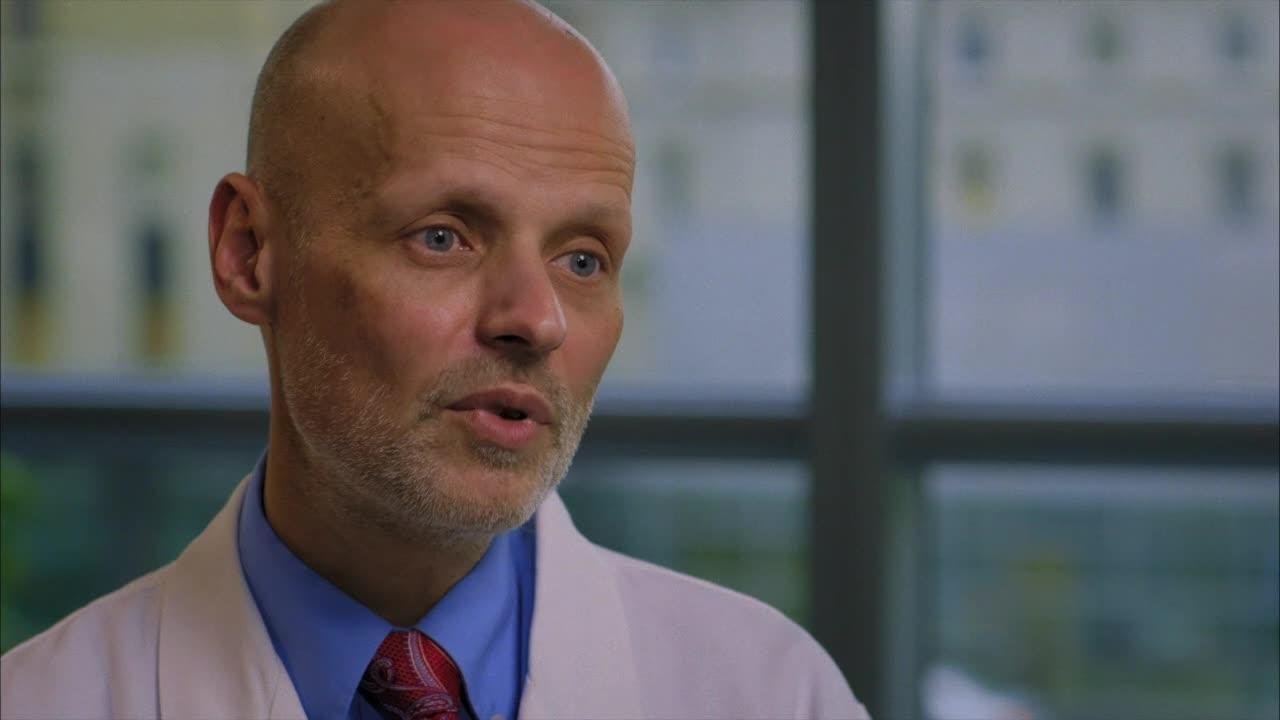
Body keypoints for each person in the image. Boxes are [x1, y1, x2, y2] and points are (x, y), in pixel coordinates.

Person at [0, 2, 868, 718]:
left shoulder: (773, 693)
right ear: (250, 252)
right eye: (444, 237)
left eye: (582, 259)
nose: (538, 319)